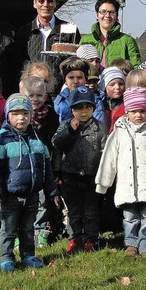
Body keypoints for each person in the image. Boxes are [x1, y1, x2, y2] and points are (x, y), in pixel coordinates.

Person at [95, 87, 146, 258]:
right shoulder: (119, 133)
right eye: (133, 111)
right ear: (127, 112)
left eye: (142, 111)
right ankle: (131, 243)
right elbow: (109, 159)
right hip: (127, 184)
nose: (138, 115)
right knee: (130, 217)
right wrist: (103, 183)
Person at [0, 93, 58, 272]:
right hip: (10, 196)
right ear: (8, 115)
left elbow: (46, 167)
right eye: (16, 113)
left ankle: (28, 255)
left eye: (25, 113)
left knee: (28, 228)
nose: (21, 118)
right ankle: (6, 257)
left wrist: (52, 190)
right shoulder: (1, 139)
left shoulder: (37, 138)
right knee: (8, 229)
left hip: (32, 194)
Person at [52, 86, 106, 254]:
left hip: (92, 176)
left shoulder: (100, 128)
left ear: (93, 108)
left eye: (87, 107)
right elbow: (57, 144)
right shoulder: (65, 125)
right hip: (70, 175)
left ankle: (91, 238)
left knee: (91, 209)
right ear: (72, 109)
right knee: (73, 210)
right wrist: (70, 131)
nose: (83, 112)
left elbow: (106, 151)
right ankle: (74, 237)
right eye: (78, 108)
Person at [19, 76, 62, 247]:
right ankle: (22, 231)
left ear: (45, 96)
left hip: (45, 166)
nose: (35, 99)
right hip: (23, 167)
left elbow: (56, 144)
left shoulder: (52, 116)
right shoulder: (19, 117)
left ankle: (40, 230)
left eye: (39, 95)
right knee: (23, 202)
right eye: (30, 96)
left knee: (42, 201)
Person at [16, 0, 81, 92]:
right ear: (34, 3)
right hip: (32, 92)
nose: (45, 5)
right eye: (41, 1)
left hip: (59, 93)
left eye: (49, 1)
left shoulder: (69, 30)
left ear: (55, 3)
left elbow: (75, 63)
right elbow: (18, 64)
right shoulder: (24, 31)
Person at [79, 0, 141, 69]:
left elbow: (135, 69)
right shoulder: (85, 40)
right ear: (97, 15)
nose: (107, 15)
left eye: (112, 12)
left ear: (117, 15)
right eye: (103, 11)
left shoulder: (127, 40)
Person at [54, 57, 105, 124]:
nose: (75, 81)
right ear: (65, 81)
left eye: (79, 77)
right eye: (71, 77)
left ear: (85, 79)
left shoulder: (95, 100)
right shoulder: (59, 101)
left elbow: (99, 125)